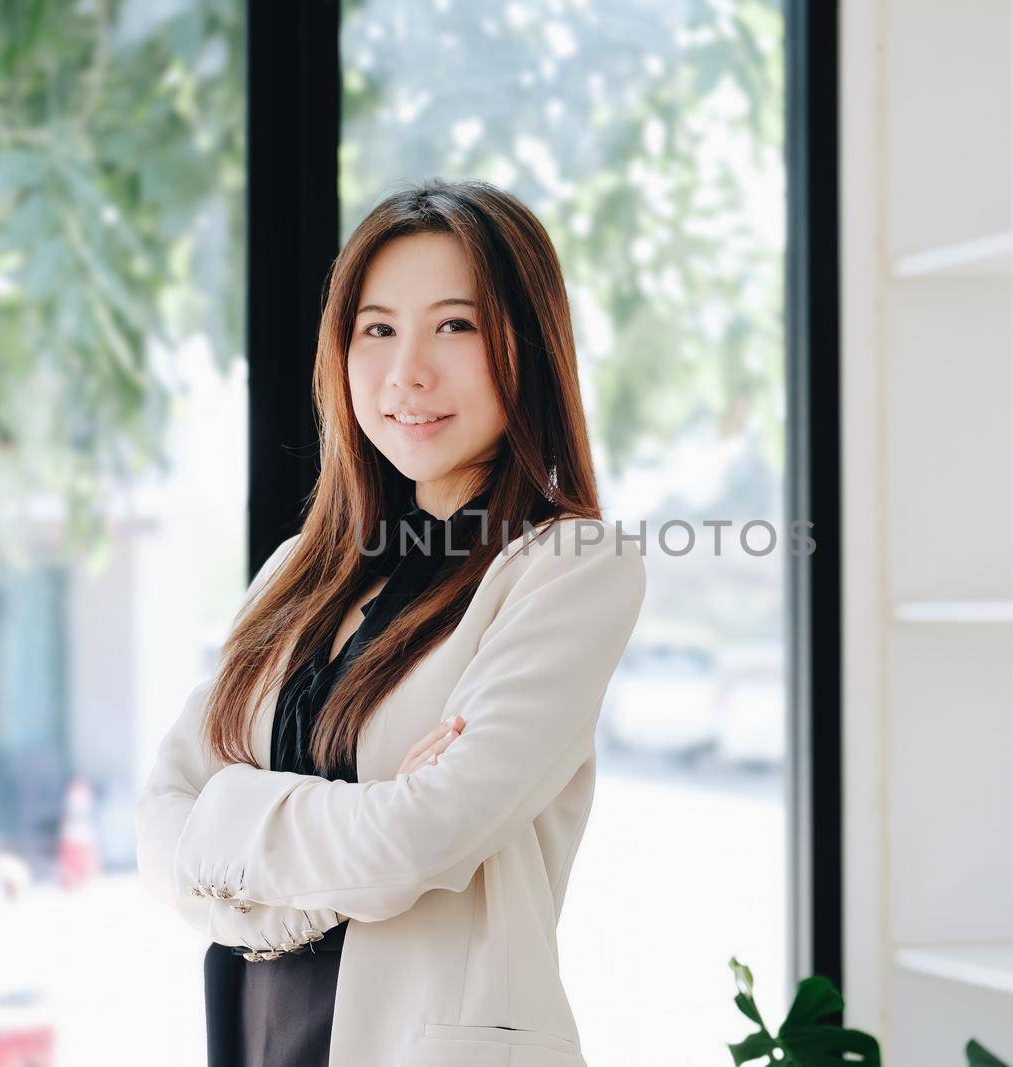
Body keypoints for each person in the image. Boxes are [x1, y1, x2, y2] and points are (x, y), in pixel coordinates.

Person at [134, 177, 647, 1067]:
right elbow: (159, 829)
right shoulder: (296, 571)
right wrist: (361, 835)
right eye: (378, 328)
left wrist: (241, 830)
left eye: (456, 325)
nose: (408, 371)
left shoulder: (569, 566)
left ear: (526, 343)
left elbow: (424, 836)